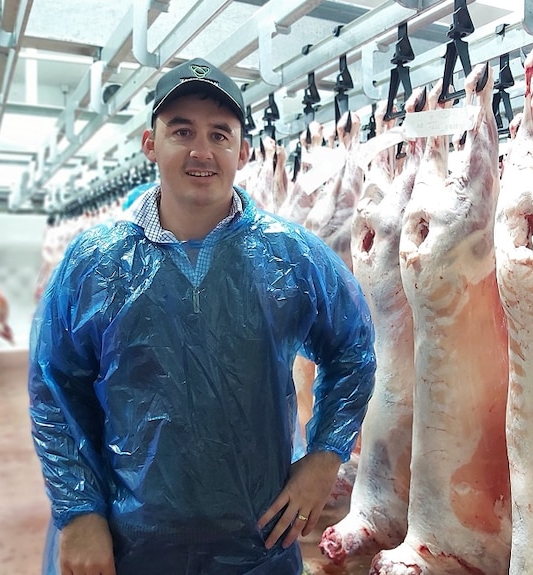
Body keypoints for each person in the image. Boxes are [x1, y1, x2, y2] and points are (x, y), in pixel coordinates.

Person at [28, 57, 376, 575]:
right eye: (182, 131)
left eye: (220, 133)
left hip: (256, 542)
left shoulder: (292, 256)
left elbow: (353, 351)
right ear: (151, 144)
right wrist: (79, 511)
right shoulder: (95, 262)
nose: (201, 151)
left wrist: (326, 456)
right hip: (129, 545)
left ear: (241, 148)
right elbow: (55, 390)